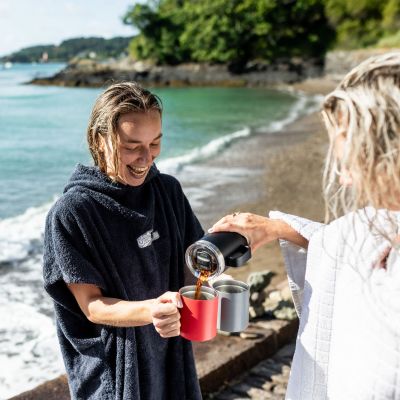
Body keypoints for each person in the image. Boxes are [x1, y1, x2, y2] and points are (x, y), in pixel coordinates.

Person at [209, 52, 400, 399]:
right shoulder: (379, 225)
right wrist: (275, 229)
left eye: (354, 159)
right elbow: (342, 245)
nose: (343, 179)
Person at [43, 81, 204, 400]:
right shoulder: (73, 213)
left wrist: (221, 248)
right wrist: (153, 310)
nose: (146, 158)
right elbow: (92, 306)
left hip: (170, 355)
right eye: (132, 146)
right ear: (98, 140)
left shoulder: (167, 191)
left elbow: (193, 263)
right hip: (113, 369)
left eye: (155, 143)